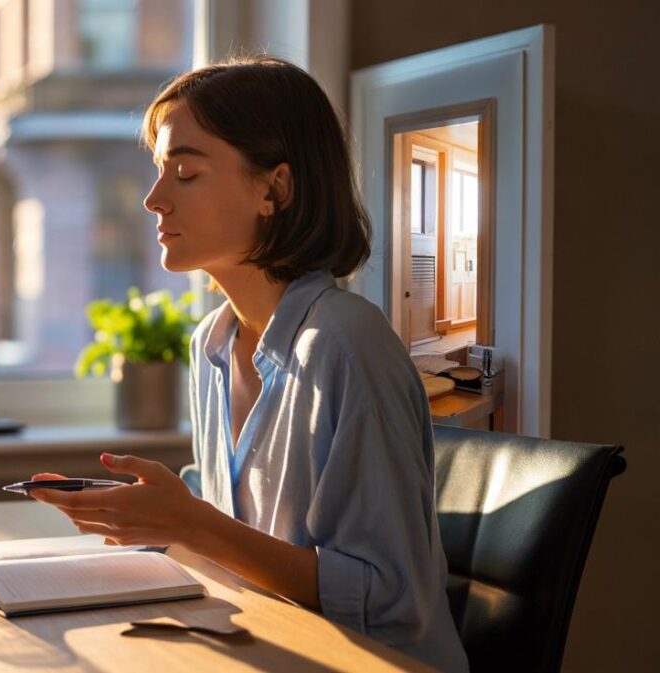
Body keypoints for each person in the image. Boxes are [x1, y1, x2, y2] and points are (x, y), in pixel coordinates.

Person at [27, 56, 468, 673]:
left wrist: (192, 523)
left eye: (184, 172)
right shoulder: (210, 343)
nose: (154, 200)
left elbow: (385, 596)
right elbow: (235, 535)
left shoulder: (347, 344)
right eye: (159, 172)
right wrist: (153, 516)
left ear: (274, 189)